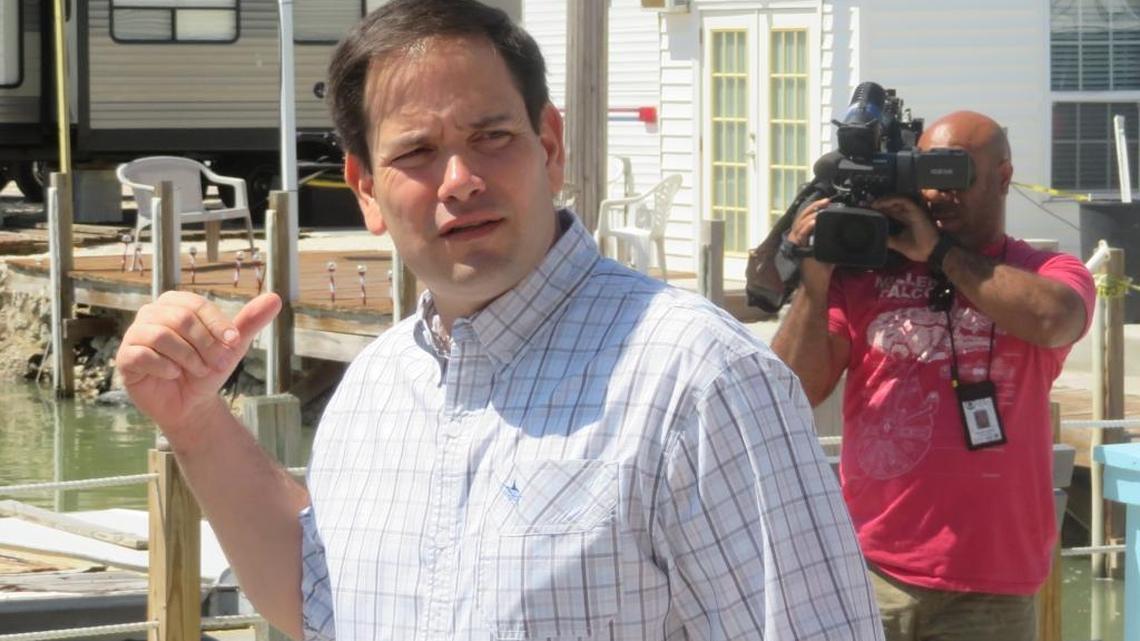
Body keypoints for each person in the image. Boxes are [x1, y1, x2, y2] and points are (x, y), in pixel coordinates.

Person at [114, 1, 884, 639]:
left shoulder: (699, 380)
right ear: (366, 191)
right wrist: (198, 424)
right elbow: (319, 604)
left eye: (492, 137)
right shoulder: (375, 388)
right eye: (416, 151)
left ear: (550, 146)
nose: (459, 180)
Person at [771, 110, 1096, 641]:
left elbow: (1051, 320)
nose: (939, 193)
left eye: (955, 173)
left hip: (992, 582)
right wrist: (813, 278)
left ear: (1004, 176)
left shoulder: (1044, 273)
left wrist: (939, 254)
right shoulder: (868, 275)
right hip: (870, 570)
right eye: (928, 173)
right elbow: (791, 390)